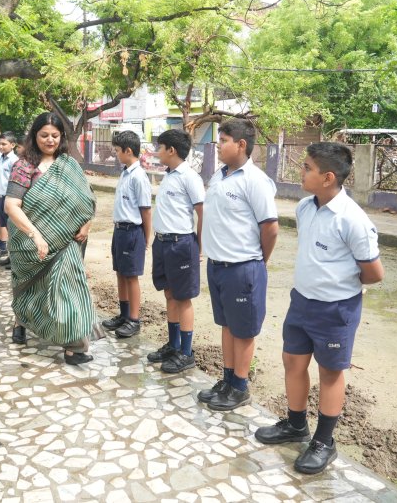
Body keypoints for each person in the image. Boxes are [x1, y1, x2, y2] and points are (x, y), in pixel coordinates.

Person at [254, 142, 384, 474]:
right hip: (302, 302)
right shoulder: (304, 208)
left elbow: (374, 273)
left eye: (307, 167)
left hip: (336, 309)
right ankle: (296, 425)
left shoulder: (352, 219)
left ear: (328, 177)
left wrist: (338, 285)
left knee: (329, 372)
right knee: (292, 362)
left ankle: (325, 442)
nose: (301, 171)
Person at [3, 112, 96, 364]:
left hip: (66, 243)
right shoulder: (24, 166)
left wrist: (86, 224)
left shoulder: (69, 165)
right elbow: (11, 205)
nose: (50, 140)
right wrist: (35, 235)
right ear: (34, 136)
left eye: (55, 135)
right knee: (29, 286)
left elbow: (87, 199)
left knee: (70, 290)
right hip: (28, 241)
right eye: (44, 135)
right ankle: (21, 320)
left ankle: (74, 346)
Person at [198, 119, 278, 411]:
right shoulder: (219, 176)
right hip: (218, 266)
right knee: (227, 326)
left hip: (243, 267)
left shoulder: (254, 181)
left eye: (223, 140)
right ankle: (228, 380)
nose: (218, 145)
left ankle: (241, 387)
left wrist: (258, 262)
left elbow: (270, 227)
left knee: (243, 330)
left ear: (241, 145)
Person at [147, 129, 204, 374]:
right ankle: (174, 344)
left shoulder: (189, 177)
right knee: (170, 294)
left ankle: (186, 352)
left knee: (183, 298)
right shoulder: (168, 175)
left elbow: (203, 212)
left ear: (171, 150)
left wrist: (200, 245)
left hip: (181, 244)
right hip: (163, 243)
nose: (156, 151)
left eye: (160, 147)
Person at [101, 130, 152, 339]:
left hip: (133, 232)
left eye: (117, 151)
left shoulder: (139, 177)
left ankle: (134, 319)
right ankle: (123, 314)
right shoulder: (125, 172)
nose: (116, 154)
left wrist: (146, 238)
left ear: (128, 151)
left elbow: (146, 210)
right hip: (120, 230)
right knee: (120, 273)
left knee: (131, 277)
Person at [0, 132, 19, 266]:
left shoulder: (14, 161)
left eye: (4, 144)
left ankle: (16, 259)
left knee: (12, 228)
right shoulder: (0, 159)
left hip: (10, 197)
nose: (0, 146)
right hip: (0, 196)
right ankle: (10, 256)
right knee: (6, 227)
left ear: (12, 145)